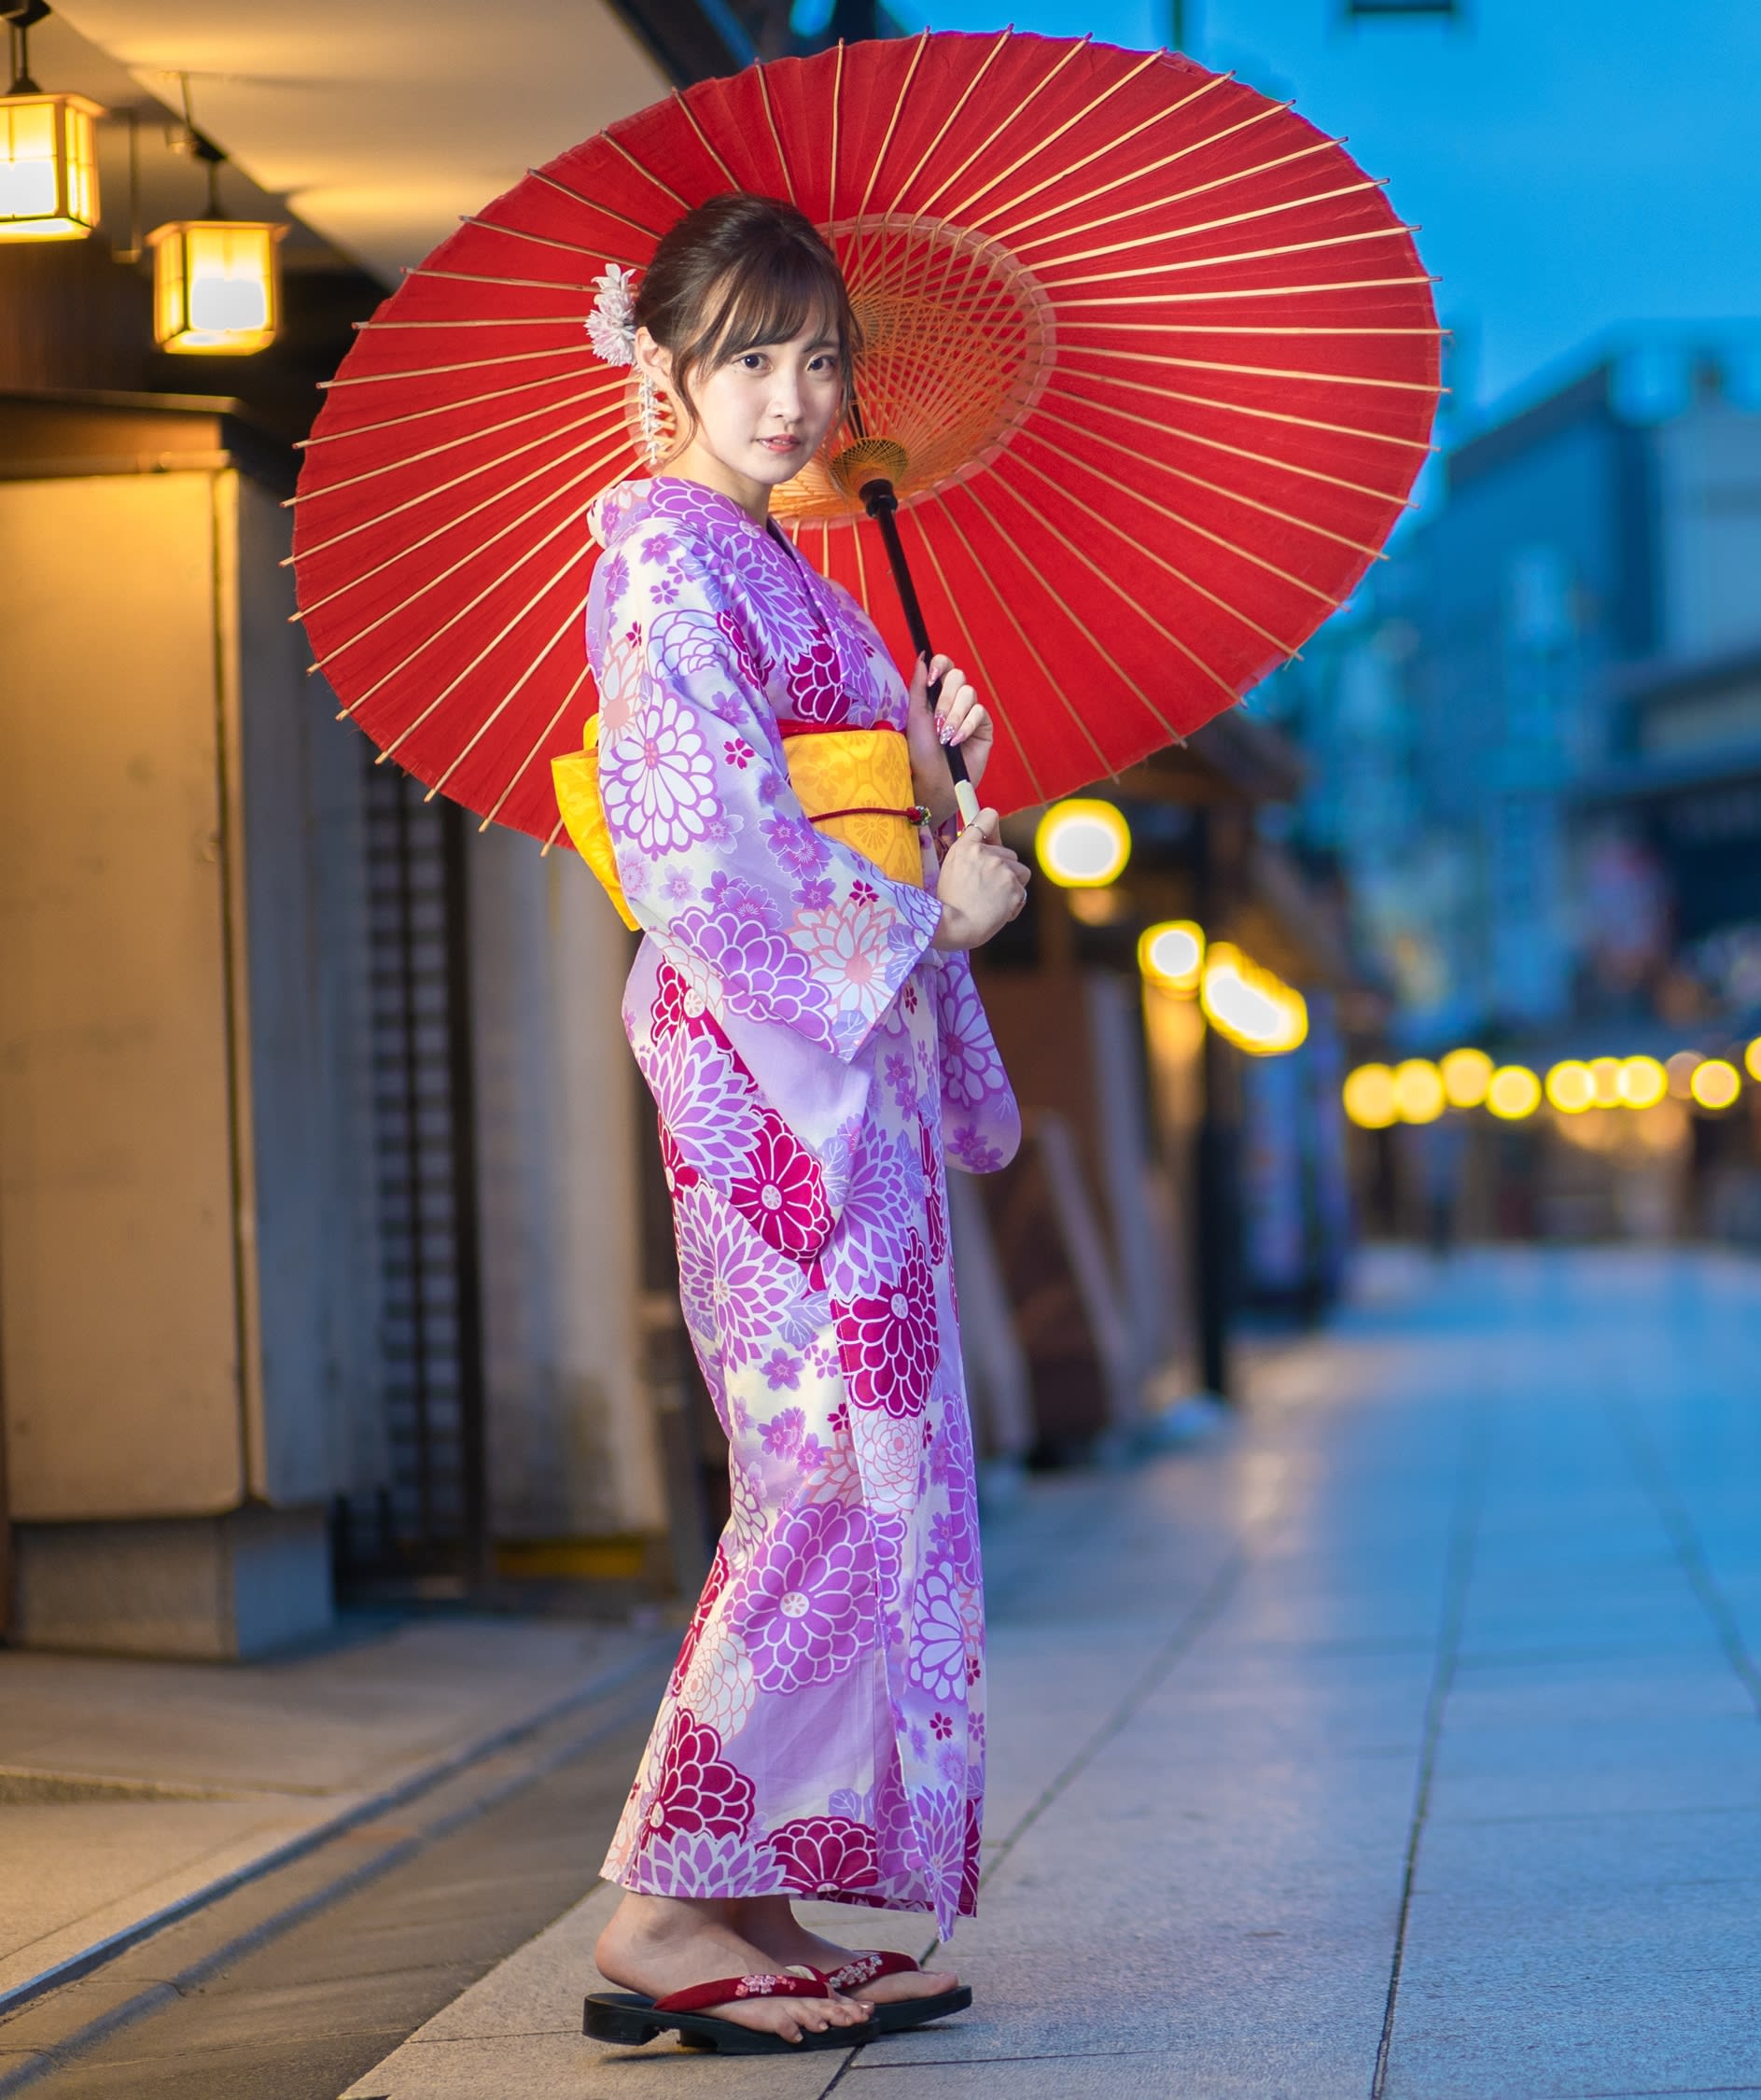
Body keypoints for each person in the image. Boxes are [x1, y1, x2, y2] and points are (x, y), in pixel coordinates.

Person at [573, 192, 1030, 2055]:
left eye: (819, 357)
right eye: (750, 357)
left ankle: (751, 1889)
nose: (793, 396)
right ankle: (668, 1908)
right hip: (775, 1083)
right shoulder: (666, 565)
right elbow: (701, 851)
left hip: (844, 1075)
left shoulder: (783, 570)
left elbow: (836, 798)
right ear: (661, 369)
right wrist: (930, 907)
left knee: (853, 1470)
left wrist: (932, 772)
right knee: (824, 1472)